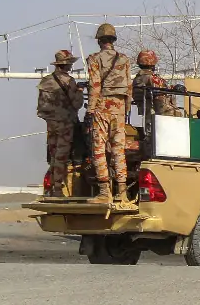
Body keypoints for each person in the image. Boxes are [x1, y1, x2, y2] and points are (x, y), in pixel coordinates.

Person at [86, 23, 132, 205]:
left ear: (99, 41)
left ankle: (105, 192)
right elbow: (129, 87)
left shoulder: (94, 59)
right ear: (113, 40)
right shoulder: (124, 59)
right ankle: (122, 193)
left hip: (102, 106)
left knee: (98, 148)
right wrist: (125, 109)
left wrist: (90, 110)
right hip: (119, 107)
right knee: (119, 150)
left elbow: (95, 85)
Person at [36, 50, 84, 197]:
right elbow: (77, 104)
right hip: (65, 123)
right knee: (62, 156)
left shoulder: (45, 80)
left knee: (53, 154)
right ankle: (57, 189)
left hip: (51, 122)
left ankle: (51, 187)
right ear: (67, 64)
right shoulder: (69, 81)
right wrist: (80, 91)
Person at [132, 49, 183, 117]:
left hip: (148, 112)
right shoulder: (150, 78)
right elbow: (165, 87)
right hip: (163, 115)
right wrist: (176, 87)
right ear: (153, 63)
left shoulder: (137, 79)